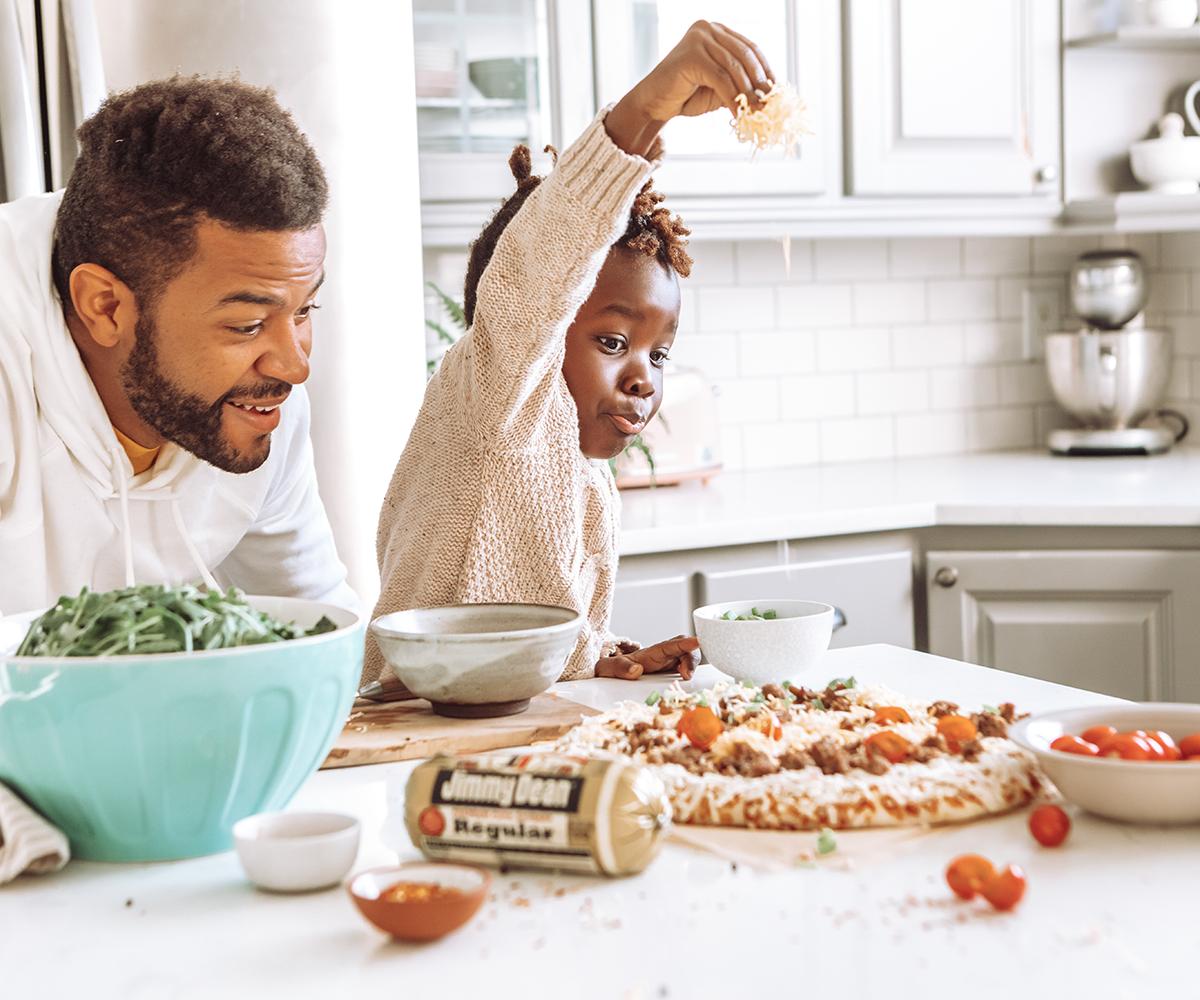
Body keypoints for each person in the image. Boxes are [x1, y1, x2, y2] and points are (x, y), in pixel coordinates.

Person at [368, 21, 774, 686]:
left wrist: (605, 656)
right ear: (536, 325)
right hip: (411, 728)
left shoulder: (581, 468)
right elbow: (542, 265)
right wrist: (646, 111)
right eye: (614, 343)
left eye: (659, 354)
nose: (644, 376)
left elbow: (531, 634)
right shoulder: (496, 399)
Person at [0, 76, 357, 615]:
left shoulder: (251, 397)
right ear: (106, 307)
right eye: (246, 325)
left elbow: (321, 627)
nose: (294, 366)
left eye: (304, 310)